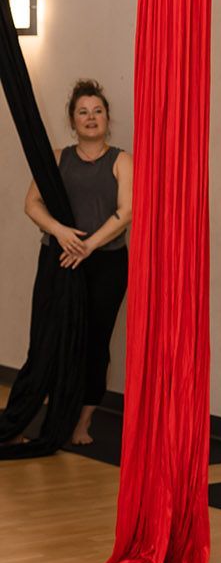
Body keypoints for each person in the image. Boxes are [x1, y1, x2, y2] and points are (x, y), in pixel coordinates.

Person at [23, 80, 133, 445]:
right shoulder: (57, 158)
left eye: (97, 111)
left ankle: (81, 423)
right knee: (48, 340)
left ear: (107, 119)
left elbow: (127, 210)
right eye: (83, 112)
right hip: (59, 261)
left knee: (94, 343)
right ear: (73, 120)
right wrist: (60, 233)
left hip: (106, 264)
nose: (90, 118)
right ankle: (43, 416)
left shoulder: (121, 160)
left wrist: (87, 246)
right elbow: (32, 203)